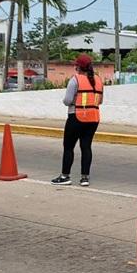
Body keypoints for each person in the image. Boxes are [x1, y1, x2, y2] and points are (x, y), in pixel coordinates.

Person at [51, 54, 103, 187]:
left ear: (78, 66)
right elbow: (100, 101)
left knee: (68, 147)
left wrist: (73, 101)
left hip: (76, 116)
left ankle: (65, 176)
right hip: (93, 118)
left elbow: (67, 101)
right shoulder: (98, 80)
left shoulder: (75, 80)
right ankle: (85, 178)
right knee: (86, 147)